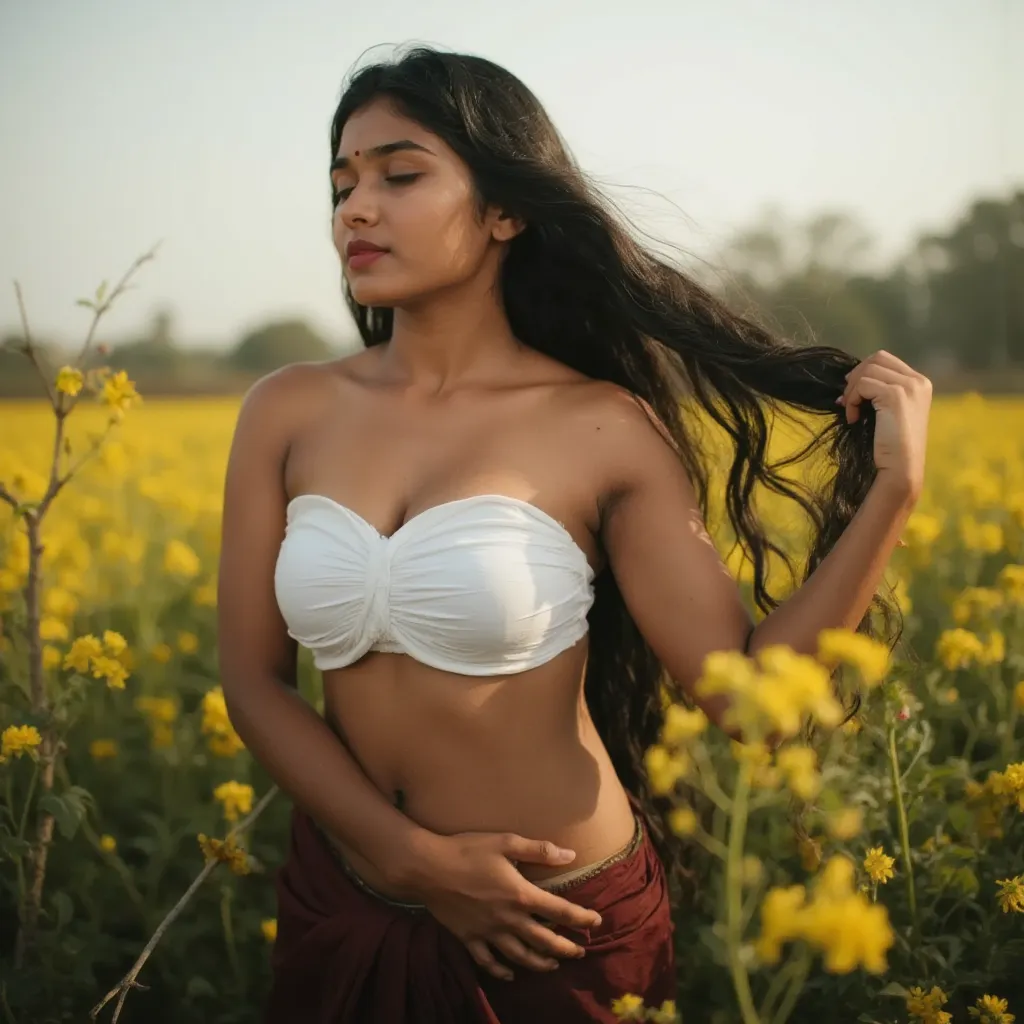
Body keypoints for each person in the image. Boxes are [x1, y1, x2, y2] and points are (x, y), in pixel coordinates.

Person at [216, 45, 931, 1024]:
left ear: (506, 210)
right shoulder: (285, 409)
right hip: (345, 892)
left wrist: (892, 488)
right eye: (342, 184)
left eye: (400, 173)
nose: (355, 208)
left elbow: (747, 698)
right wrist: (402, 854)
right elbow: (253, 678)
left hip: (553, 923)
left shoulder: (601, 426)